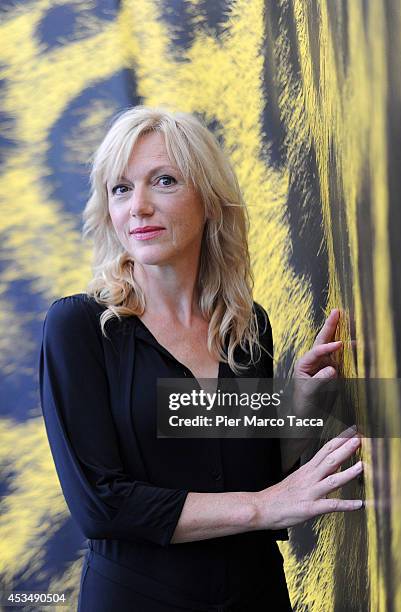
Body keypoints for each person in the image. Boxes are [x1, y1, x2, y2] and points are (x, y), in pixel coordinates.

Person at [38, 106, 364, 611]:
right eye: (121, 189)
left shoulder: (246, 325)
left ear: (209, 201)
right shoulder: (78, 328)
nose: (138, 206)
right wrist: (262, 507)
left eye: (163, 181)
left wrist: (297, 407)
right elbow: (103, 505)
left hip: (255, 594)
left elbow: (246, 476)